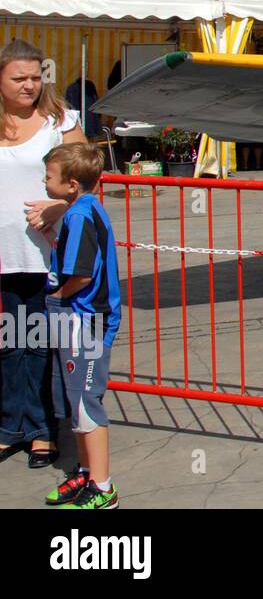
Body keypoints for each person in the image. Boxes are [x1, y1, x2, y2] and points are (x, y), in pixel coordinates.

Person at [0, 39, 87, 469]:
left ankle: (42, 431)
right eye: (19, 78)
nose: (29, 85)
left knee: (39, 345)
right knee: (7, 344)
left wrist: (59, 205)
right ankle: (9, 425)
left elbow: (87, 179)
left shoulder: (59, 121)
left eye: (36, 77)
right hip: (3, 255)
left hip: (46, 256)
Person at [40, 143, 122, 508]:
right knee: (75, 401)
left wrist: (58, 295)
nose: (44, 183)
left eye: (48, 177)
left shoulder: (79, 216)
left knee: (86, 403)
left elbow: (83, 276)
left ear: (71, 183)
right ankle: (85, 474)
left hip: (86, 320)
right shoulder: (86, 209)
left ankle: (103, 488)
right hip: (80, 319)